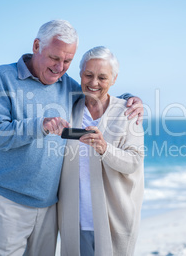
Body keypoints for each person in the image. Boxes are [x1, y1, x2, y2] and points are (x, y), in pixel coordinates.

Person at [0, 20, 143, 256]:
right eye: (55, 58)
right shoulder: (3, 76)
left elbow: (98, 90)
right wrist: (40, 125)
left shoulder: (65, 85)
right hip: (6, 201)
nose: (60, 67)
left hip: (49, 207)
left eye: (67, 61)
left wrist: (133, 99)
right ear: (36, 46)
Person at [58, 46, 144, 255]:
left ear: (113, 79)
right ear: (80, 75)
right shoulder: (69, 108)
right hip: (74, 220)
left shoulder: (128, 112)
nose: (94, 83)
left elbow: (134, 161)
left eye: (102, 77)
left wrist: (104, 148)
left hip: (114, 220)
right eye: (88, 75)